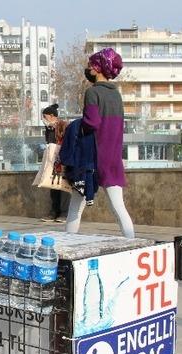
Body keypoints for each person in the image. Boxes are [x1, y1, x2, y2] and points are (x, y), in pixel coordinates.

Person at [66, 48, 135, 239]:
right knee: (119, 208)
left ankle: (67, 244)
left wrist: (74, 125)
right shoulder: (116, 95)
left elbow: (92, 123)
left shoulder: (92, 92)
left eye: (90, 65)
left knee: (75, 208)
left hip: (91, 159)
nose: (87, 69)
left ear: (97, 68)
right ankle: (133, 243)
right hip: (112, 158)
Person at [40, 104, 69, 223]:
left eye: (45, 116)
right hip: (53, 162)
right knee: (53, 187)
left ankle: (64, 213)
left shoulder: (63, 126)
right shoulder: (49, 128)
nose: (43, 119)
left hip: (63, 161)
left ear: (52, 116)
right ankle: (54, 212)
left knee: (64, 187)